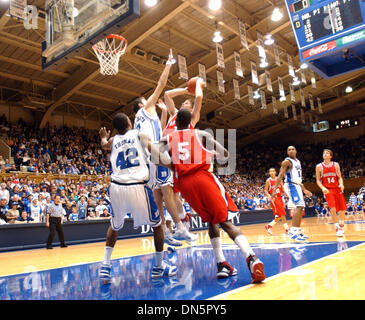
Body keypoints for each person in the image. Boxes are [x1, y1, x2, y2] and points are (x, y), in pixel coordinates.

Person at [159, 108, 265, 282]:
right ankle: (251, 257)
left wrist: (173, 166)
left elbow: (155, 156)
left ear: (176, 123)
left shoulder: (168, 138)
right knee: (224, 220)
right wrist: (210, 154)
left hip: (185, 185)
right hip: (202, 177)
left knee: (211, 220)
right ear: (190, 122)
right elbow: (225, 154)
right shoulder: (200, 134)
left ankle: (221, 263)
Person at [98, 112, 177, 281]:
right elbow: (158, 155)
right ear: (128, 121)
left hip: (116, 186)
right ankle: (158, 266)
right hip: (137, 185)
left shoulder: (114, 141)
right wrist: (175, 168)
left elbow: (104, 144)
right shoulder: (139, 135)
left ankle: (105, 265)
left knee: (115, 225)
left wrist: (103, 137)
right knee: (157, 225)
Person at [133, 49, 196, 246]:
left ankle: (164, 231)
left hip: (146, 158)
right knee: (168, 190)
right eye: (146, 99)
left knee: (158, 195)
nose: (149, 99)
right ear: (142, 104)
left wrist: (162, 114)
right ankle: (180, 226)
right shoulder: (145, 108)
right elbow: (161, 85)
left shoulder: (140, 119)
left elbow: (159, 129)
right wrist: (169, 63)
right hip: (156, 153)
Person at [271, 146, 312, 242]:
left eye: (292, 149)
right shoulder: (286, 162)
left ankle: (297, 230)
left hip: (297, 185)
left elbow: (298, 178)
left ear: (296, 151)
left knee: (300, 207)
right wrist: (274, 189)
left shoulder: (297, 162)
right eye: (289, 149)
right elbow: (280, 175)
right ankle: (292, 231)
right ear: (287, 152)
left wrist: (304, 189)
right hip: (291, 185)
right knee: (299, 206)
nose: (291, 151)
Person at [315, 149, 347, 237]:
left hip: (337, 188)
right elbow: (318, 180)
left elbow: (339, 177)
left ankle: (341, 224)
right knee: (332, 208)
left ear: (331, 156)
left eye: (327, 153)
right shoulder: (319, 166)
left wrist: (341, 184)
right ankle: (337, 228)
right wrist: (322, 188)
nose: (325, 154)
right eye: (324, 153)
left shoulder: (336, 164)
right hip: (328, 190)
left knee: (342, 209)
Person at [264, 168, 289, 235]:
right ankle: (287, 230)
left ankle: (269, 226)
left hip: (280, 198)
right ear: (269, 173)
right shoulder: (268, 181)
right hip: (274, 199)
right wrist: (269, 196)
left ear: (275, 172)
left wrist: (287, 194)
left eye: (273, 171)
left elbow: (283, 188)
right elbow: (265, 190)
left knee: (279, 216)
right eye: (270, 171)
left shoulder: (279, 179)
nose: (272, 172)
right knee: (283, 214)